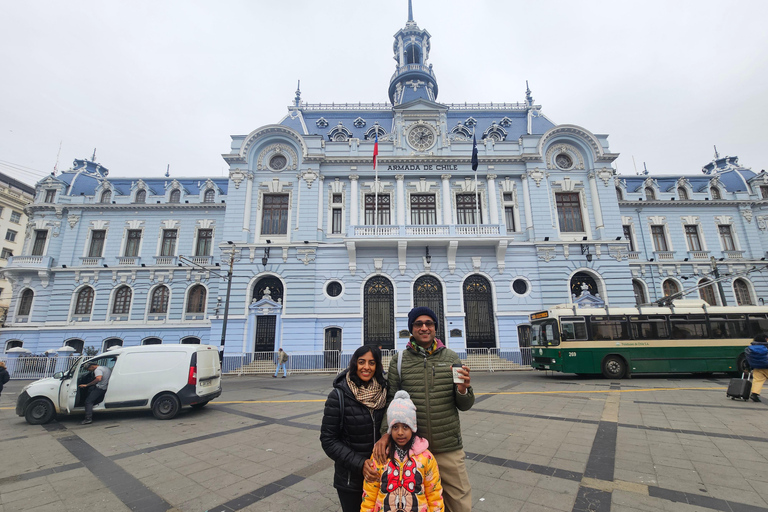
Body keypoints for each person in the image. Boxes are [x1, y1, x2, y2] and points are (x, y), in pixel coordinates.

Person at [374, 306, 474, 512]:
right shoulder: (399, 361)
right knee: (420, 504)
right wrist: (385, 433)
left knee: (459, 501)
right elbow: (391, 400)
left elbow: (464, 405)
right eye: (418, 324)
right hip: (413, 449)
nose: (424, 328)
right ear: (412, 329)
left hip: (448, 446)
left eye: (429, 323)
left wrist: (463, 390)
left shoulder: (451, 358)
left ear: (435, 328)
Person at [320, 346, 388, 512]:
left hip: (383, 477)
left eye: (372, 363)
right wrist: (360, 464)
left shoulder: (385, 392)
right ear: (354, 364)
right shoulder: (339, 395)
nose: (366, 367)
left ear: (377, 366)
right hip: (350, 480)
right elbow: (328, 440)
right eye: (361, 362)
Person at [361, 390, 444, 512]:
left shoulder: (426, 458)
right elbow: (369, 494)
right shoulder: (380, 456)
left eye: (405, 426)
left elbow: (434, 494)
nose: (400, 432)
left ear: (413, 427)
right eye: (395, 427)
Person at [746, 334, 768, 402]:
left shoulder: (750, 348)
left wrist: (747, 367)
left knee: (758, 381)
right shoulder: (766, 346)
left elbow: (747, 358)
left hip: (757, 367)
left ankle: (754, 394)